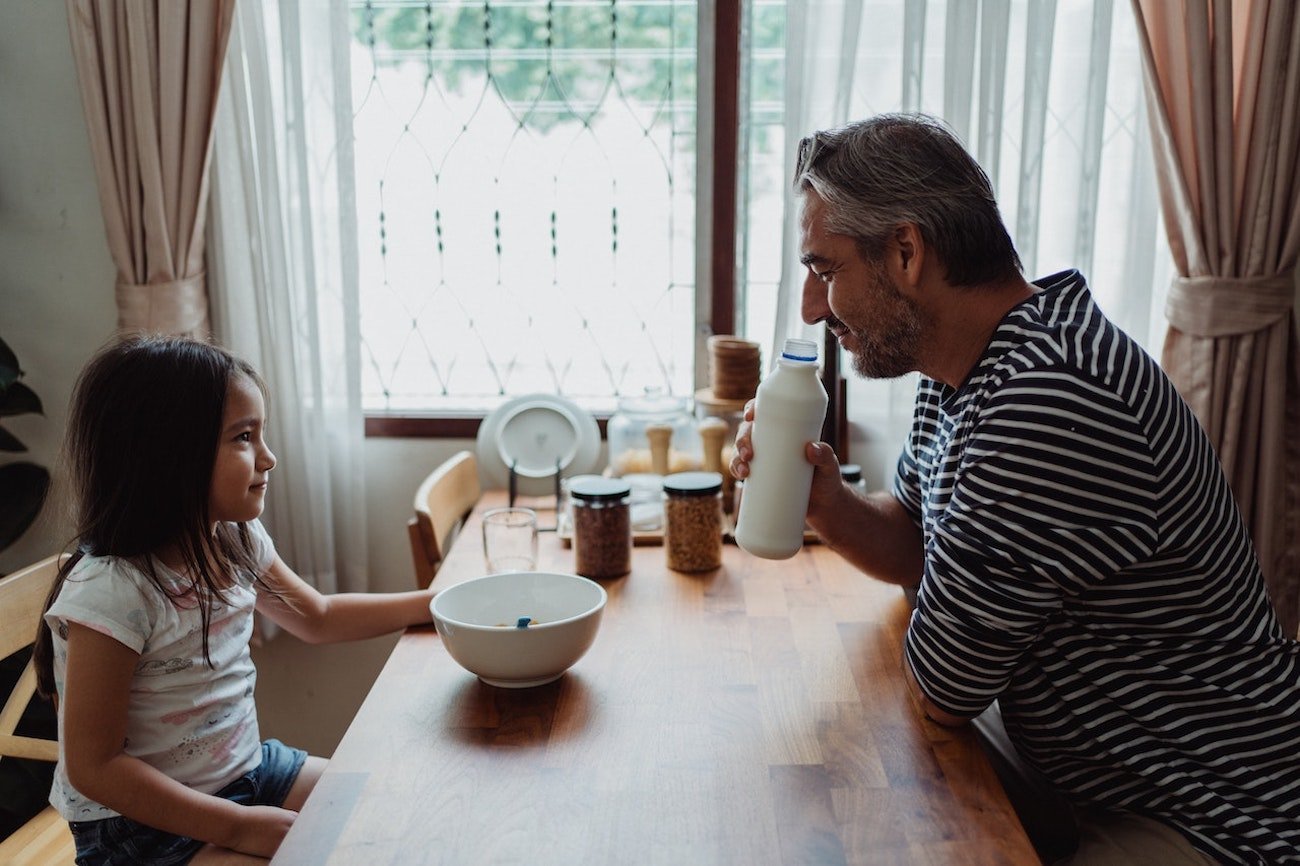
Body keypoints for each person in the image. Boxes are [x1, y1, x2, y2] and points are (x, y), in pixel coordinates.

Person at [731, 114, 1300, 865]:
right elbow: (914, 537)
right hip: (1082, 780)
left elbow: (943, 684)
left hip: (1206, 815)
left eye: (826, 270)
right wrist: (827, 503)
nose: (810, 306)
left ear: (906, 251)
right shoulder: (969, 362)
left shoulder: (1048, 399)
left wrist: (948, 600)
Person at [31, 335, 439, 864]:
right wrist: (241, 827)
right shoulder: (114, 590)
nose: (268, 458)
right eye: (244, 437)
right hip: (140, 825)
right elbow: (95, 767)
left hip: (246, 773)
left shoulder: (234, 539)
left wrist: (437, 603)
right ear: (168, 454)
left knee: (384, 810)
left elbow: (318, 617)